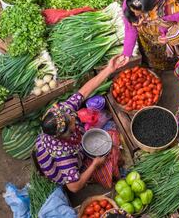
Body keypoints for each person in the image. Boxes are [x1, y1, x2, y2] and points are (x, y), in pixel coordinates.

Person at [34, 55, 126, 193]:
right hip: (61, 168)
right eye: (71, 122)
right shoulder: (65, 156)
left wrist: (109, 69)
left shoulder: (62, 113)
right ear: (65, 135)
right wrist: (95, 165)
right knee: (110, 157)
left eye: (69, 116)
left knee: (107, 128)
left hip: (65, 144)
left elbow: (84, 91)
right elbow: (74, 188)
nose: (73, 116)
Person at [122, 0, 179, 71]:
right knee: (151, 54)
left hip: (163, 39)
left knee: (165, 59)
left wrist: (169, 37)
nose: (135, 15)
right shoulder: (132, 2)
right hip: (148, 38)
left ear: (151, 9)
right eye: (133, 11)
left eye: (140, 13)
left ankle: (166, 67)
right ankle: (153, 64)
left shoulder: (173, 8)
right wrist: (127, 53)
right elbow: (130, 29)